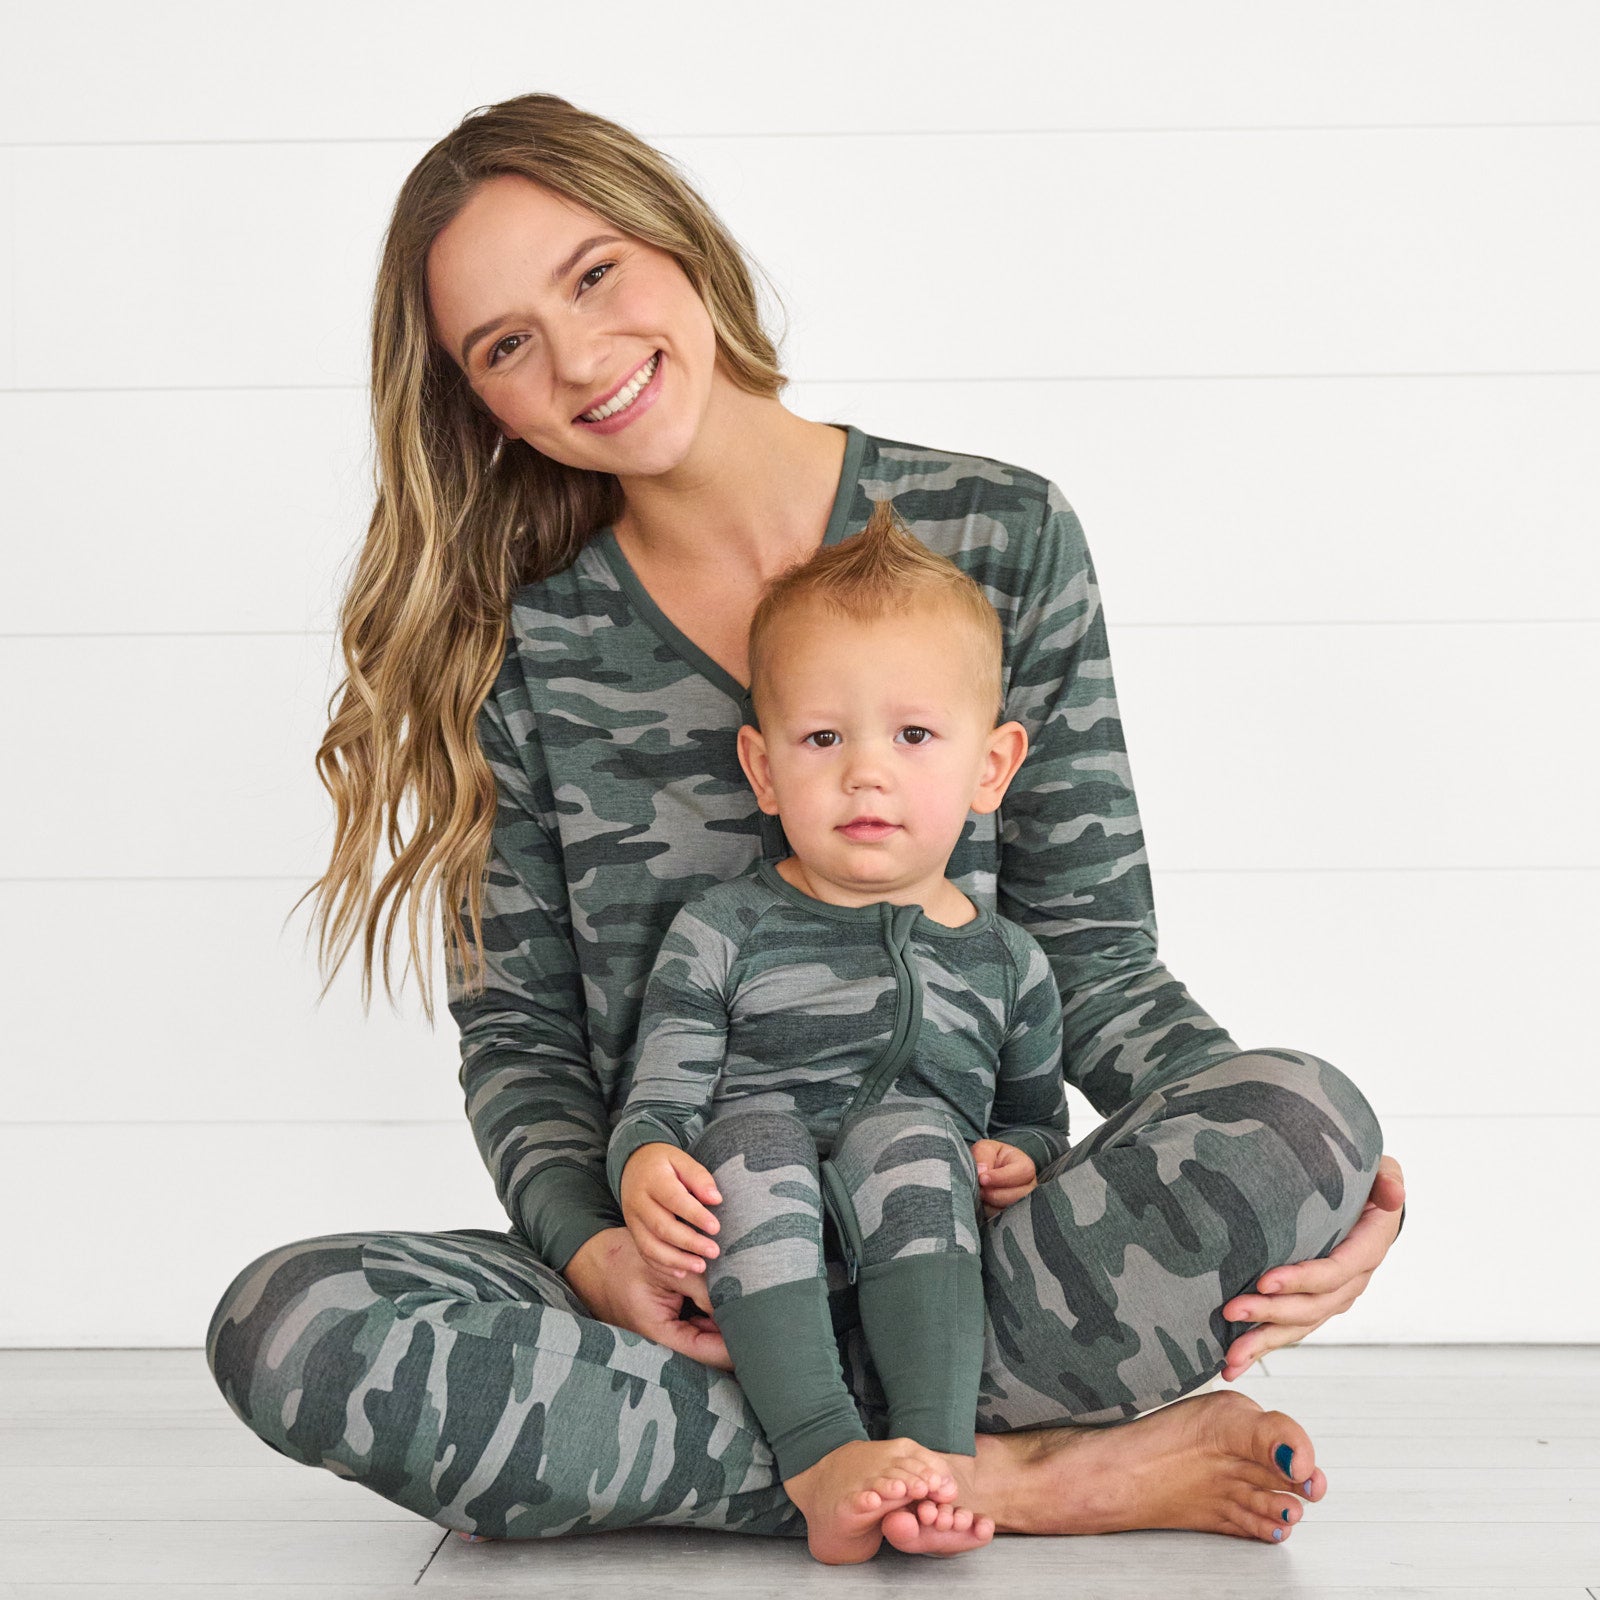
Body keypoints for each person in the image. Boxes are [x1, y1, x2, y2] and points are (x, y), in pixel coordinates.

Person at [204, 90, 1408, 1555]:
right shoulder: (515, 647)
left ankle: (869, 1436)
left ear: (677, 239)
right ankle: (1008, 1469)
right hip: (702, 1283)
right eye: (506, 346)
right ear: (476, 400)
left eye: (595, 275)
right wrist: (595, 1256)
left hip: (967, 1245)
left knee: (1306, 1111)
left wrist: (1314, 1172)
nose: (580, 359)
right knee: (296, 1325)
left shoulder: (1002, 536)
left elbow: (1093, 953)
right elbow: (519, 1039)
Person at [609, 501, 1073, 1562]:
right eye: (823, 737)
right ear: (764, 769)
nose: (866, 770)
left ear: (990, 767)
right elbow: (662, 1103)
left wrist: (1020, 1159)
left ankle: (933, 1451)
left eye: (912, 735)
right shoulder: (721, 930)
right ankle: (821, 1458)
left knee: (913, 1136)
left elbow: (1034, 1120)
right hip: (759, 1283)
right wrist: (642, 1163)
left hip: (928, 1271)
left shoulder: (1009, 962)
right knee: (755, 1137)